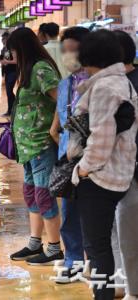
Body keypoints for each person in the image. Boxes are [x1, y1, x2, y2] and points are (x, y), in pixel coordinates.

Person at [69, 29, 138, 300]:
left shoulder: (104, 87)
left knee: (97, 249)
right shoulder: (123, 83)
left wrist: (82, 170)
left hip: (100, 178)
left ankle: (103, 297)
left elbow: (101, 139)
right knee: (103, 247)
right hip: (121, 172)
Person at [7, 27, 63, 265]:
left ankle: (54, 247)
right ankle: (34, 243)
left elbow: (62, 98)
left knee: (44, 195)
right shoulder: (26, 69)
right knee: (31, 194)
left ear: (23, 48)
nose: (12, 56)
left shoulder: (41, 69)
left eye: (14, 50)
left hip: (41, 143)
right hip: (26, 145)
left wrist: (53, 129)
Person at [49, 26, 90, 283]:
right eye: (65, 51)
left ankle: (99, 264)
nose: (68, 55)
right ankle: (73, 260)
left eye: (73, 50)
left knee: (96, 215)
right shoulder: (65, 84)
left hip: (95, 158)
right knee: (70, 212)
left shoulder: (96, 83)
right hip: (69, 159)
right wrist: (62, 140)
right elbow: (58, 122)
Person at [113, 30, 138, 300]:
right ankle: (120, 283)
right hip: (114, 166)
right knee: (115, 228)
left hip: (128, 165)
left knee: (127, 230)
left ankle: (132, 289)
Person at [0, 32, 17, 117]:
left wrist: (6, 62)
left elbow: (16, 61)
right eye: (2, 39)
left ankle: (12, 110)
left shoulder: (13, 48)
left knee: (9, 92)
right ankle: (11, 110)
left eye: (4, 39)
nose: (3, 40)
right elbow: (5, 60)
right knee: (8, 92)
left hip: (13, 72)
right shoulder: (4, 49)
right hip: (7, 72)